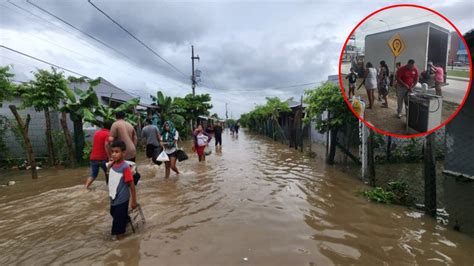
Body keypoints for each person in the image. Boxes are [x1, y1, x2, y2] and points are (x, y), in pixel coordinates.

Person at [107, 140, 137, 240]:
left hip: (122, 199)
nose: (114, 154)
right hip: (114, 198)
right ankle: (125, 219)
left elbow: (131, 184)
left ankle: (121, 241)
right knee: (113, 212)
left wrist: (134, 201)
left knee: (118, 227)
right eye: (112, 152)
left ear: (123, 153)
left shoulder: (125, 167)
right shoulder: (113, 164)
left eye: (117, 152)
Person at [85, 122, 111, 189]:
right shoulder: (108, 134)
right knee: (109, 173)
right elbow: (106, 145)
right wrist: (109, 157)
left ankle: (86, 187)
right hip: (103, 158)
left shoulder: (97, 133)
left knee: (93, 175)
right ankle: (109, 188)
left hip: (93, 157)